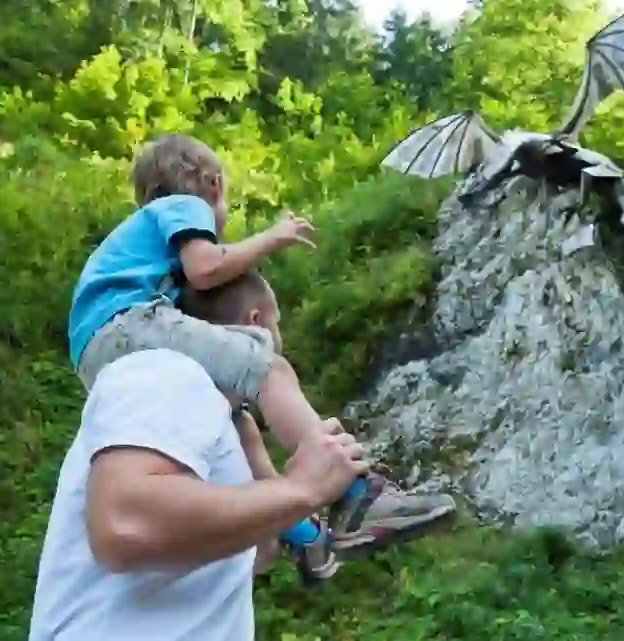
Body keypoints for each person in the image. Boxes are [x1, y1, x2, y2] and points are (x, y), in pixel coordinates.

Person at [66, 133, 453, 576]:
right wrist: (273, 237)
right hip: (124, 323)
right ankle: (356, 493)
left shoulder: (147, 246)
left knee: (239, 421)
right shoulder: (184, 206)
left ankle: (303, 535)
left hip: (100, 347)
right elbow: (207, 268)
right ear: (212, 184)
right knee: (267, 366)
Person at [27, 347, 367, 641]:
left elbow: (258, 553)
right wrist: (302, 487)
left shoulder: (210, 423)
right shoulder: (166, 370)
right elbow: (126, 523)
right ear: (254, 324)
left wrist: (270, 480)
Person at [177, 268, 458, 582]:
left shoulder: (214, 406)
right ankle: (357, 494)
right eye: (277, 323)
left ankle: (308, 538)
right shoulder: (235, 371)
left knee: (252, 447)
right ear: (254, 321)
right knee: (272, 376)